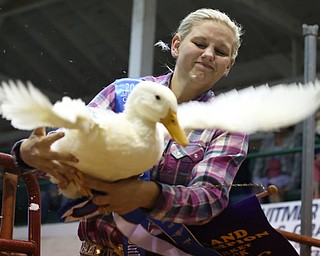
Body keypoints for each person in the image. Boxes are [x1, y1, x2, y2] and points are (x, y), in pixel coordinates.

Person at [11, 8, 248, 255]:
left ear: (228, 65)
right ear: (176, 45)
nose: (208, 54)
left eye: (220, 52)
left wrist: (148, 195)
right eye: (199, 43)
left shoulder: (228, 124)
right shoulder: (121, 93)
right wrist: (28, 155)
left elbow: (209, 199)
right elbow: (60, 149)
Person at [251, 126, 301, 203]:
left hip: (285, 177)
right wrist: (255, 181)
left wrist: (291, 186)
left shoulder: (295, 139)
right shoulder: (267, 141)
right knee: (257, 190)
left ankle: (279, 214)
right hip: (266, 177)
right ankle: (256, 214)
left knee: (272, 187)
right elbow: (258, 165)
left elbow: (297, 167)